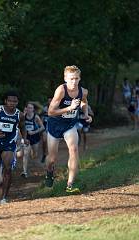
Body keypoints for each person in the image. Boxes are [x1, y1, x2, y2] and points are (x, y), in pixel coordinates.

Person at [45, 65, 92, 193]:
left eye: (76, 78)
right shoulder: (61, 90)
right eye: (71, 79)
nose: (74, 82)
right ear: (65, 78)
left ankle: (69, 184)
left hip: (69, 125)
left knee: (74, 149)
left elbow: (84, 102)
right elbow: (50, 112)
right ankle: (49, 173)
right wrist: (69, 108)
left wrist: (86, 114)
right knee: (52, 159)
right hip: (55, 125)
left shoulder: (83, 91)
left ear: (79, 78)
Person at [0, 91, 26, 204]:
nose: (12, 103)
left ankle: (3, 198)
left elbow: (23, 127)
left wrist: (24, 139)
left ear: (17, 102)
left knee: (8, 169)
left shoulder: (19, 114)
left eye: (15, 101)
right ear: (5, 101)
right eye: (10, 101)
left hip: (9, 144)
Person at [18, 102, 45, 178]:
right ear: (26, 108)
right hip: (26, 138)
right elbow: (18, 127)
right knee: (25, 154)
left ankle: (31, 159)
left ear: (33, 109)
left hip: (35, 138)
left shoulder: (36, 117)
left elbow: (42, 127)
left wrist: (34, 132)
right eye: (28, 108)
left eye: (31, 108)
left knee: (34, 155)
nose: (29, 109)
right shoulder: (23, 116)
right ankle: (24, 172)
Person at [40, 97, 52, 163]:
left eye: (51, 101)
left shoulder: (55, 108)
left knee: (50, 143)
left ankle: (50, 155)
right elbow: (40, 116)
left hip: (51, 127)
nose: (49, 102)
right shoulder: (44, 108)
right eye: (48, 101)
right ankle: (44, 154)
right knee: (44, 141)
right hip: (44, 127)